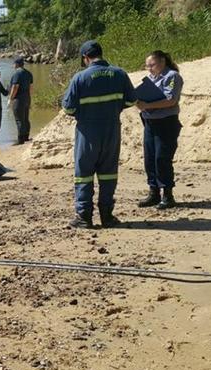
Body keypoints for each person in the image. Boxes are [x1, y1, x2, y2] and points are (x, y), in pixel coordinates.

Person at [62, 40, 137, 229]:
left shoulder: (80, 78)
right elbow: (131, 100)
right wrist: (114, 109)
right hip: (111, 130)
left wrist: (83, 114)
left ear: (85, 58)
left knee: (83, 175)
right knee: (108, 174)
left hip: (87, 131)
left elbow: (68, 107)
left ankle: (84, 217)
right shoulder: (119, 74)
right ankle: (107, 216)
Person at [136, 50, 184, 209]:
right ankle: (153, 192)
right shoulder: (151, 78)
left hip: (166, 123)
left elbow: (170, 100)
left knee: (162, 158)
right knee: (150, 158)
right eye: (147, 66)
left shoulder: (172, 76)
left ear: (162, 62)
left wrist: (147, 105)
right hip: (150, 122)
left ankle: (168, 195)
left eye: (152, 65)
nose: (149, 68)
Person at [8, 56, 33, 145]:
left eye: (14, 63)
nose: (13, 65)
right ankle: (26, 137)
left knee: (19, 120)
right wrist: (29, 98)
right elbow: (31, 88)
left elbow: (15, 87)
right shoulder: (28, 73)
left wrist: (10, 99)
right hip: (27, 98)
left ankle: (20, 140)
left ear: (17, 64)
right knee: (26, 118)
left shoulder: (17, 74)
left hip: (18, 99)